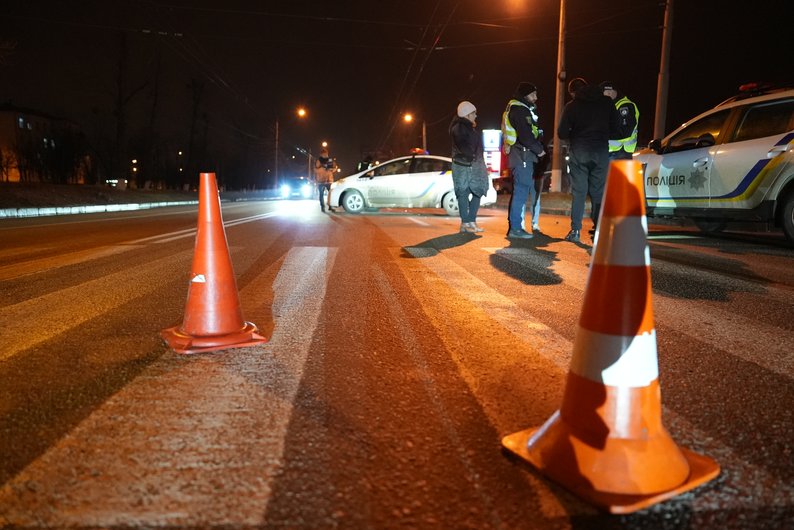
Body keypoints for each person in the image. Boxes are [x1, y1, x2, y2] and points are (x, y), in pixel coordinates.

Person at [557, 77, 619, 242]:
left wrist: (575, 136)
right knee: (598, 193)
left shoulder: (572, 106)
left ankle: (575, 231)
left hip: (579, 152)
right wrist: (603, 135)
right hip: (600, 152)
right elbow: (618, 129)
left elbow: (561, 133)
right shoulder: (606, 103)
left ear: (573, 92)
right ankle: (600, 232)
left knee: (579, 193)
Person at [502, 82, 546, 239]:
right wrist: (540, 151)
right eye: (533, 94)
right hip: (523, 154)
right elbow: (526, 136)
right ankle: (515, 228)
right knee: (521, 190)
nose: (536, 97)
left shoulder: (516, 107)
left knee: (520, 190)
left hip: (520, 154)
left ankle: (515, 226)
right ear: (525, 95)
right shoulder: (520, 110)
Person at [449, 100, 488, 233]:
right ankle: (465, 223)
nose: (476, 116)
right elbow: (464, 146)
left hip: (475, 165)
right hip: (463, 166)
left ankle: (471, 221)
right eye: (474, 113)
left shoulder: (470, 128)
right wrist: (471, 156)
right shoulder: (458, 128)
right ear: (467, 114)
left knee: (477, 191)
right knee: (463, 193)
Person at [600, 81, 640, 160]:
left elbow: (625, 132)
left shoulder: (625, 106)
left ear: (609, 92)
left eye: (602, 96)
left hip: (621, 152)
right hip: (613, 153)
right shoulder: (613, 106)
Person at [314, 147, 336, 212]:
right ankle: (322, 207)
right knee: (321, 194)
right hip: (321, 180)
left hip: (329, 180)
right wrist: (322, 169)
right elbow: (316, 170)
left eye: (326, 154)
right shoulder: (318, 161)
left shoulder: (330, 160)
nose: (325, 155)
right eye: (324, 154)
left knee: (331, 194)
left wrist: (332, 169)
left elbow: (334, 168)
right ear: (321, 155)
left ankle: (330, 206)